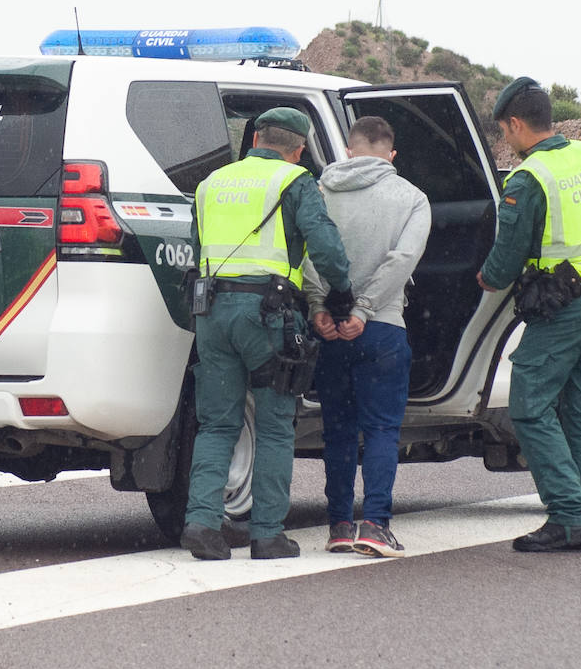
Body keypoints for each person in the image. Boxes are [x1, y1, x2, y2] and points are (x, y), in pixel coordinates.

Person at [184, 108, 354, 561]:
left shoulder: (210, 183)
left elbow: (197, 248)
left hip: (211, 312)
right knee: (276, 425)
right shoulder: (294, 180)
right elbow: (326, 247)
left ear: (256, 138)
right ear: (298, 150)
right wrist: (341, 292)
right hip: (268, 314)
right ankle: (267, 534)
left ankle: (202, 523)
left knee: (218, 424)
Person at [478, 77, 581, 552]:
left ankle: (567, 515)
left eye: (504, 131)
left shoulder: (529, 178)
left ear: (516, 124)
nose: (506, 140)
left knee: (529, 404)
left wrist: (485, 277)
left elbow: (504, 263)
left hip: (563, 304)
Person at [305, 116, 431, 558]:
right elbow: (402, 260)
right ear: (391, 155)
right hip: (381, 329)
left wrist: (319, 306)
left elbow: (307, 254)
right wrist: (365, 309)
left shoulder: (319, 192)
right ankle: (375, 525)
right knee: (380, 430)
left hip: (329, 329)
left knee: (338, 431)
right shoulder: (412, 198)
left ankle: (339, 526)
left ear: (348, 150)